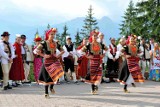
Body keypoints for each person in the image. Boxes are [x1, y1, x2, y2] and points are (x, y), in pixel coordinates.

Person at [34, 28, 64, 98]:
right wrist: (44, 55)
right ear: (48, 35)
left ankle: (51, 87)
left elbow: (62, 50)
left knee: (56, 75)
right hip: (47, 61)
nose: (52, 36)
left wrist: (58, 55)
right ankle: (46, 92)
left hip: (55, 61)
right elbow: (36, 51)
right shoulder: (44, 43)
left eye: (53, 34)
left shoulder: (56, 42)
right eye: (51, 34)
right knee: (46, 77)